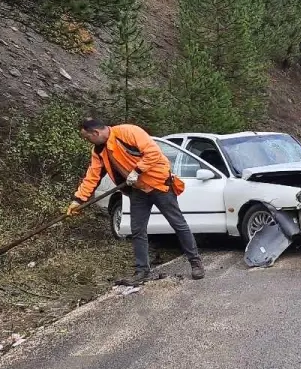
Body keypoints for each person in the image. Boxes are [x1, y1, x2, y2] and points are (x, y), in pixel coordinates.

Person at [67, 119, 205, 284]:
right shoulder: (98, 151)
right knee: (137, 230)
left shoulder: (128, 132)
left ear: (95, 133)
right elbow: (93, 176)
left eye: (87, 137)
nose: (87, 141)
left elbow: (153, 152)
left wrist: (137, 171)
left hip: (159, 185)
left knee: (178, 224)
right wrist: (78, 200)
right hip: (138, 191)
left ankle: (196, 263)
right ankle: (142, 271)